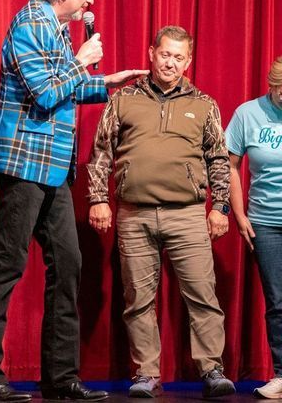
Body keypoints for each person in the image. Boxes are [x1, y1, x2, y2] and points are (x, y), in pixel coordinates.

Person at [0, 0, 147, 402]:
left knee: (68, 264)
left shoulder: (56, 27)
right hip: (24, 161)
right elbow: (46, 92)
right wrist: (83, 59)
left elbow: (61, 87)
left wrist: (107, 81)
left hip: (53, 166)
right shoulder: (31, 22)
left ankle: (60, 377)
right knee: (6, 267)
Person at [87, 25, 235, 399]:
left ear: (189, 61)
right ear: (152, 52)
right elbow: (102, 151)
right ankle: (146, 373)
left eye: (178, 57)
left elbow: (219, 159)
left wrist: (220, 207)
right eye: (165, 54)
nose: (170, 63)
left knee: (202, 294)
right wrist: (97, 198)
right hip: (133, 214)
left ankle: (211, 368)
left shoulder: (204, 104)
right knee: (138, 298)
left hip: (186, 214)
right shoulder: (122, 99)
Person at [225, 56, 282, 399]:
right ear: (271, 85)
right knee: (278, 301)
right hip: (265, 222)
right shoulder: (248, 113)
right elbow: (231, 164)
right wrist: (239, 213)